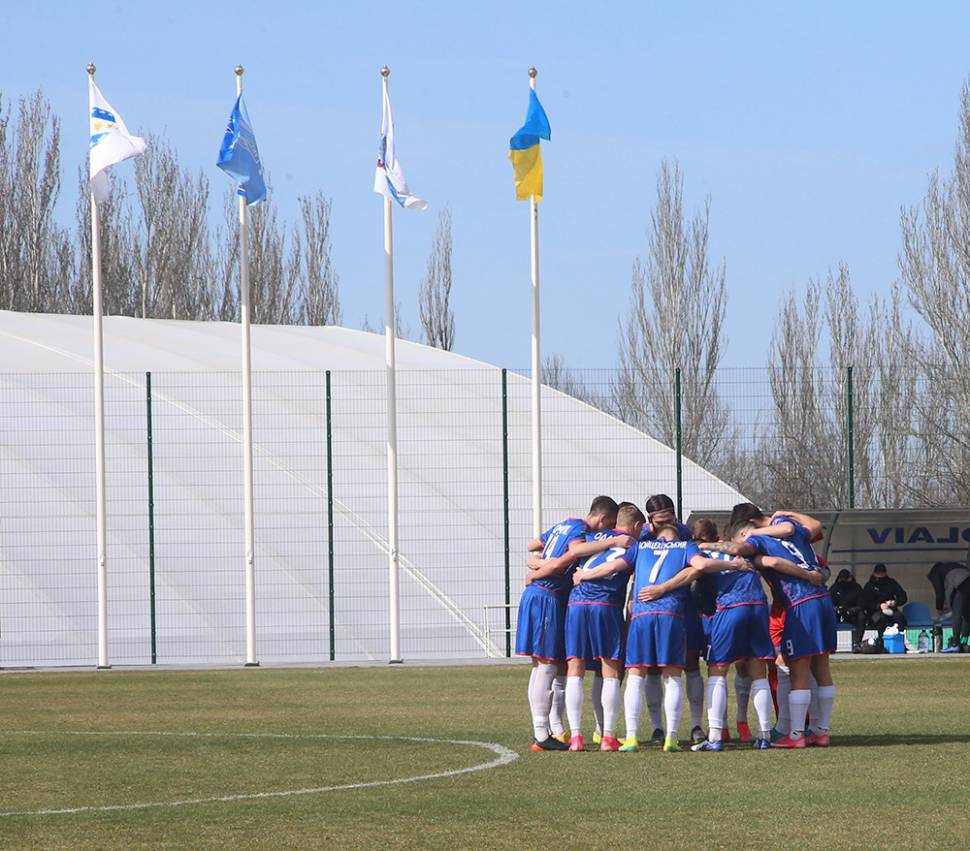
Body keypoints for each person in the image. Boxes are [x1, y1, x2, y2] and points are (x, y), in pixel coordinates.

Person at [709, 504, 836, 749]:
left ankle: (796, 735)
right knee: (822, 668)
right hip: (823, 599)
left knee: (796, 669)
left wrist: (707, 545)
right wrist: (789, 512)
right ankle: (821, 731)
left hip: (800, 603)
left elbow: (772, 560)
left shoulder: (760, 542)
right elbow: (812, 526)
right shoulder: (793, 532)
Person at [687, 520, 816, 752]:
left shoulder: (700, 551)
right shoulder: (742, 551)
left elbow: (698, 578)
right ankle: (764, 735)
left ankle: (715, 737)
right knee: (759, 672)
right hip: (758, 606)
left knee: (717, 669)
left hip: (730, 607)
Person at [621, 528, 751, 753]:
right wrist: (734, 565)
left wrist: (583, 574)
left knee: (636, 674)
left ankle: (631, 737)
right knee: (674, 675)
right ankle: (672, 737)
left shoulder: (641, 546)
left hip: (642, 614)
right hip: (671, 614)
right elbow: (700, 566)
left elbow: (614, 566)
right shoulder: (684, 546)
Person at [516, 495, 623, 751]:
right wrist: (614, 540)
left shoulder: (564, 523)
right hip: (547, 595)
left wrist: (540, 564)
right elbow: (574, 552)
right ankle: (541, 734)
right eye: (608, 525)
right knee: (546, 666)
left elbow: (533, 547)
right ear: (604, 518)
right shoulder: (582, 530)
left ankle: (549, 729)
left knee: (541, 665)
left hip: (536, 594)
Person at [563, 503, 646, 751]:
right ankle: (608, 735)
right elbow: (611, 567)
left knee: (575, 668)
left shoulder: (589, 537)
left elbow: (572, 551)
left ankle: (576, 737)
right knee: (610, 668)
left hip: (576, 603)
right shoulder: (633, 544)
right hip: (605, 604)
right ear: (637, 526)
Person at [642, 494, 706, 744]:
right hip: (648, 606)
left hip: (682, 605)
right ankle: (658, 727)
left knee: (690, 663)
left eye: (669, 518)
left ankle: (696, 726)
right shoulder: (643, 538)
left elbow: (697, 568)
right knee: (652, 668)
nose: (665, 524)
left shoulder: (685, 536)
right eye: (660, 521)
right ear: (650, 520)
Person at [862, 564, 908, 649]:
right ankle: (883, 644)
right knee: (881, 618)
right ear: (874, 573)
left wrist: (895, 602)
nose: (880, 575)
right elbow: (865, 603)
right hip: (875, 613)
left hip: (891, 610)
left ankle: (900, 642)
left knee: (899, 617)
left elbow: (903, 597)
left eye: (882, 573)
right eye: (878, 573)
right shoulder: (869, 585)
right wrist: (879, 606)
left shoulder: (891, 583)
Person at [927, 561, 970, 652]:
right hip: (966, 581)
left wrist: (939, 608)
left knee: (957, 614)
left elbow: (940, 593)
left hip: (961, 586)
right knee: (967, 614)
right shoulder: (950, 566)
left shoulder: (935, 573)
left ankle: (955, 644)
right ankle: (964, 641)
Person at [830, 569, 866, 651]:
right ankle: (831, 645)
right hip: (838, 614)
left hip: (853, 613)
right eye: (842, 579)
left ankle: (857, 643)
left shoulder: (857, 588)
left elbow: (862, 604)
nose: (844, 582)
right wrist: (836, 609)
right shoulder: (834, 588)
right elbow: (829, 603)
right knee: (829, 616)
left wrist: (852, 610)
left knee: (862, 617)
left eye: (846, 579)